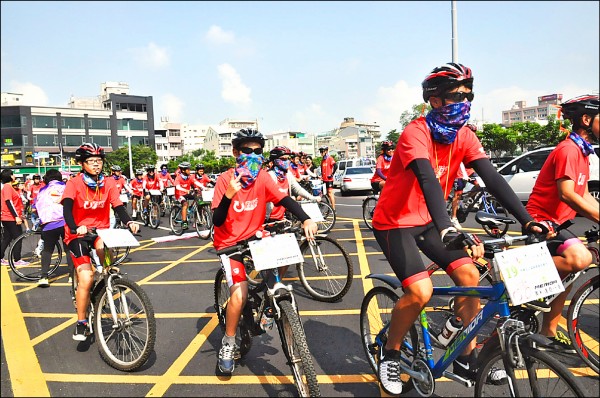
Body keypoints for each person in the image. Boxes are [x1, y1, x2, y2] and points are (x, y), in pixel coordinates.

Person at [371, 62, 544, 395]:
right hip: (394, 223)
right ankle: (390, 354)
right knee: (419, 291)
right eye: (456, 95)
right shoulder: (415, 133)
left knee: (468, 277)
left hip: (429, 222)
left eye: (469, 95)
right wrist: (449, 227)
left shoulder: (463, 135)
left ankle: (466, 357)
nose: (464, 101)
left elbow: (491, 177)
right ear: (435, 100)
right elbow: (426, 179)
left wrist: (528, 220)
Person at [211, 129, 318, 375]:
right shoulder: (224, 180)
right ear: (236, 153)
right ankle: (228, 343)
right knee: (239, 294)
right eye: (247, 151)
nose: (253, 156)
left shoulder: (262, 178)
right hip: (230, 244)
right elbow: (217, 221)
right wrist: (229, 195)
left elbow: (284, 200)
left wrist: (305, 219)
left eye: (258, 152)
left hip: (256, 238)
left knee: (283, 263)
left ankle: (270, 307)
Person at [525, 94, 599, 352]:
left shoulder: (582, 151)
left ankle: (548, 332)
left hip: (559, 221)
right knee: (579, 259)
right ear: (586, 119)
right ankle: (519, 275)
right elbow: (566, 194)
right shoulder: (568, 149)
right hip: (541, 220)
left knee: (566, 275)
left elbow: (584, 193)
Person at [61, 143, 139, 341]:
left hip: (100, 231)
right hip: (78, 234)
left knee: (106, 257)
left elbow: (118, 206)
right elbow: (67, 209)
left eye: (99, 161)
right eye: (91, 161)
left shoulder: (109, 183)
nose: (96, 165)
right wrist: (73, 227)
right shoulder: (74, 183)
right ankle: (81, 323)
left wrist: (129, 220)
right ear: (82, 164)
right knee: (86, 278)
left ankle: (107, 279)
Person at [34, 169, 74, 287]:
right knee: (69, 249)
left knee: (47, 250)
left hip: (48, 224)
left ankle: (44, 277)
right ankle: (72, 276)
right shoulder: (65, 187)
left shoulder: (42, 190)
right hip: (64, 221)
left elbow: (35, 207)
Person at [1, 169, 29, 267]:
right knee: (18, 237)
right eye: (12, 174)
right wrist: (16, 216)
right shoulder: (8, 187)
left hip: (8, 217)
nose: (14, 176)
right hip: (10, 217)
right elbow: (9, 202)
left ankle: (1, 257)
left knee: (7, 238)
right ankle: (17, 259)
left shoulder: (8, 187)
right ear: (9, 176)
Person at [173, 162, 204, 230]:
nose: (190, 171)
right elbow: (177, 187)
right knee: (185, 204)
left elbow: (196, 182)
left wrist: (204, 188)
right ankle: (184, 222)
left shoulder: (189, 177)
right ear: (183, 170)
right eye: (188, 169)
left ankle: (191, 211)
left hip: (187, 194)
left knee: (198, 197)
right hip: (179, 195)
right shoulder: (178, 178)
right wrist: (185, 190)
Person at [449, 162, 479, 230]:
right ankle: (454, 218)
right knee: (458, 194)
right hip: (458, 172)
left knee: (480, 184)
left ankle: (467, 199)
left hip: (468, 170)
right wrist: (464, 175)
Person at [319, 146, 337, 210]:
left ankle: (333, 208)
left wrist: (332, 174)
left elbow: (335, 166)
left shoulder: (330, 158)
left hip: (329, 179)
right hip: (324, 179)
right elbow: (321, 169)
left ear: (326, 151)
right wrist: (321, 176)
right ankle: (329, 207)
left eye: (322, 151)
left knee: (330, 193)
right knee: (325, 194)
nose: (321, 153)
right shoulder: (322, 160)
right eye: (320, 151)